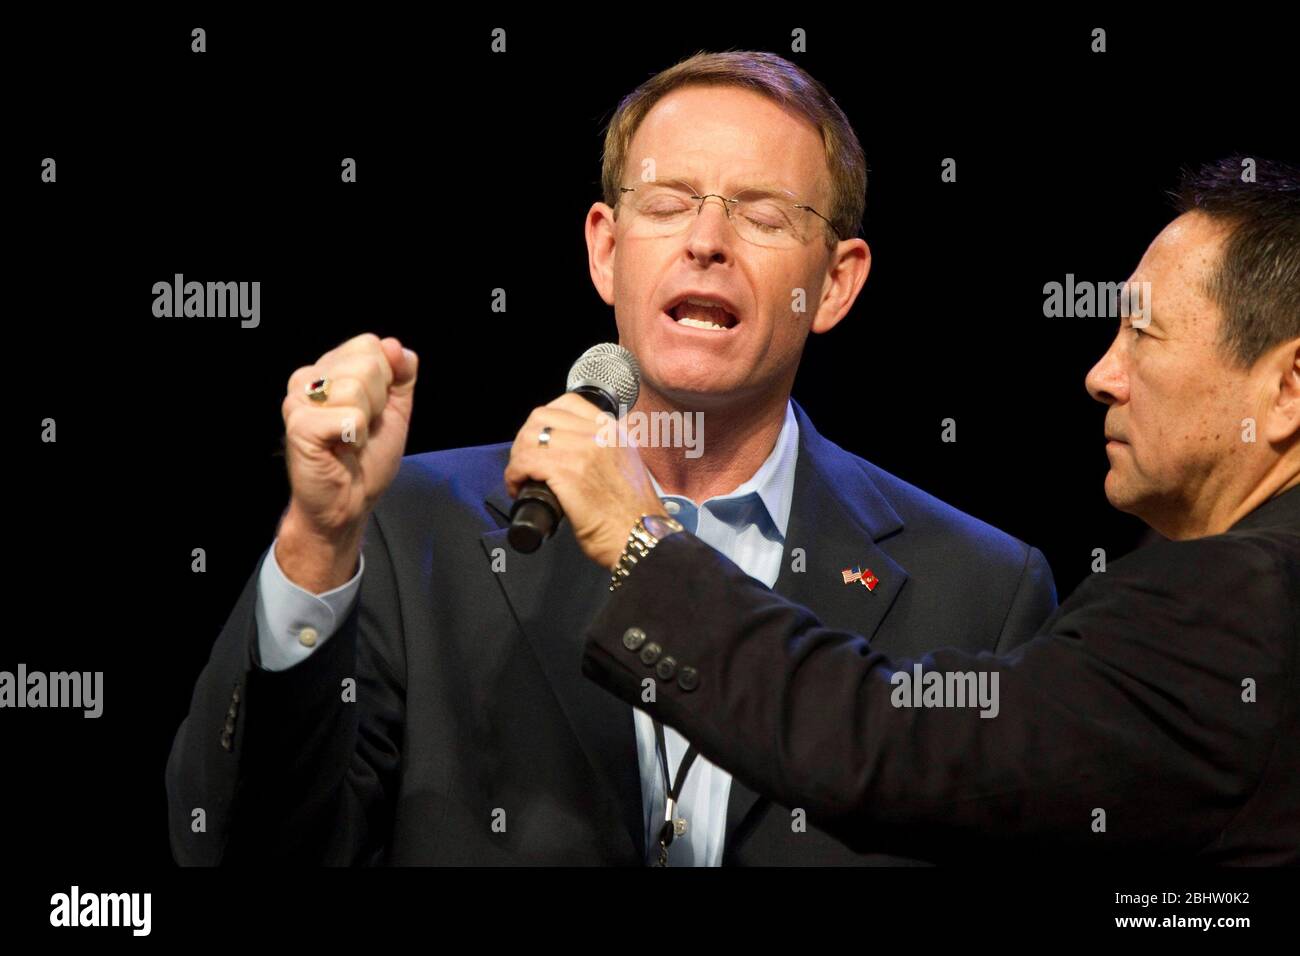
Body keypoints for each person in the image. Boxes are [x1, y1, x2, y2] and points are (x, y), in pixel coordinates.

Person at [165, 51, 1056, 866]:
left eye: (761, 212)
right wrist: (316, 540)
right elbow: (245, 851)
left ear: (835, 282)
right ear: (605, 248)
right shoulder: (413, 529)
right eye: (667, 203)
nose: (706, 240)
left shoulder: (978, 591)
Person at [567, 156, 1300, 863]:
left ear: (1289, 388)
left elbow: (904, 753)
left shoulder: (1234, 603)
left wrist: (644, 546)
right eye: (667, 203)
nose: (1101, 376)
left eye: (1142, 333)